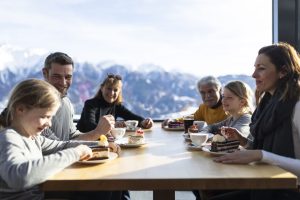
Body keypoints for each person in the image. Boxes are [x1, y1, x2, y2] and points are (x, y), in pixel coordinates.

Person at [213, 42, 300, 200]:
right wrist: (244, 142)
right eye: (255, 67)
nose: (253, 75)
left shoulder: (297, 106)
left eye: (261, 68)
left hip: (291, 192)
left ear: (283, 71)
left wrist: (261, 155)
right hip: (267, 186)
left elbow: (265, 154)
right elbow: (265, 149)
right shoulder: (267, 104)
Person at [0, 79, 93, 200]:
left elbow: (62, 146)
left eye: (51, 118)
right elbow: (19, 177)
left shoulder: (34, 137)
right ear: (20, 109)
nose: (49, 124)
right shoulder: (9, 138)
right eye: (44, 116)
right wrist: (75, 153)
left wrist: (99, 145)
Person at [77, 73, 153, 132]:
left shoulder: (116, 106)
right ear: (102, 88)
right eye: (109, 88)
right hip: (83, 141)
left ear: (119, 92)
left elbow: (132, 117)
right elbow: (90, 127)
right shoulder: (90, 104)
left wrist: (144, 122)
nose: (111, 93)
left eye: (115, 90)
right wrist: (113, 126)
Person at [162, 76, 227, 127]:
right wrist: (174, 120)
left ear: (220, 90)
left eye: (211, 91)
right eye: (203, 93)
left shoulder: (229, 106)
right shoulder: (204, 108)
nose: (207, 96)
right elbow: (190, 119)